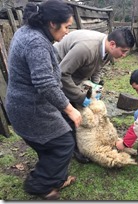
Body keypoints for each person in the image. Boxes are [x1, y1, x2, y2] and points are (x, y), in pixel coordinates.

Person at [5, 0, 81, 200]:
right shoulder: (36, 42)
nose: (67, 32)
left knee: (54, 141)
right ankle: (39, 185)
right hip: (30, 109)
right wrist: (69, 108)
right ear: (52, 24)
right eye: (66, 26)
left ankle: (55, 178)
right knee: (64, 144)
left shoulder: (29, 31)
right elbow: (45, 83)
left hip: (24, 104)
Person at [53, 27, 135, 163]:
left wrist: (96, 87)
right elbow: (62, 74)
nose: (124, 55)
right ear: (113, 44)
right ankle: (75, 148)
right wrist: (79, 97)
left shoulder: (107, 49)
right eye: (123, 51)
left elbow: (97, 67)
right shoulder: (85, 49)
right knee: (69, 112)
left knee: (78, 105)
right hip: (57, 69)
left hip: (73, 71)